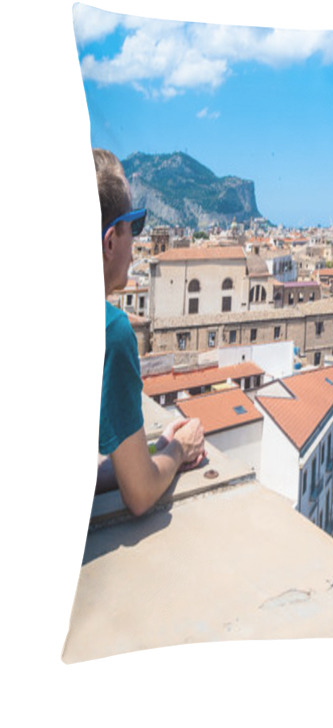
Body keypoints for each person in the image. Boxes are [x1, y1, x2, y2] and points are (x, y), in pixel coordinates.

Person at [94, 148, 205, 516]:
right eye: (135, 225)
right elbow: (140, 495)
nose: (137, 244)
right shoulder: (110, 332)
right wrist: (179, 449)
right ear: (111, 241)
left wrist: (145, 456)